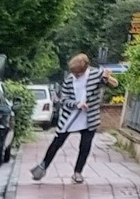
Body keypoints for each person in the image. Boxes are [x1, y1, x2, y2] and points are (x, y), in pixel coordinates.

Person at [31, 54, 112, 182]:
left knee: (85, 146)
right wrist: (77, 104)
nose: (75, 76)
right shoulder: (69, 80)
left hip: (89, 117)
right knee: (57, 142)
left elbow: (112, 84)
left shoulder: (95, 74)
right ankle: (42, 167)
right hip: (70, 116)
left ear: (85, 69)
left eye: (78, 74)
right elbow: (64, 100)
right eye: (74, 73)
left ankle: (78, 172)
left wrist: (107, 78)